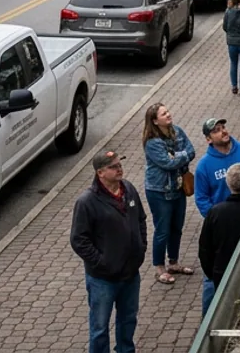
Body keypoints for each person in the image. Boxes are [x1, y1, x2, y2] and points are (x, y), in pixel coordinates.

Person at [70, 150, 146, 353]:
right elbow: (78, 240)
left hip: (130, 274)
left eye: (119, 163)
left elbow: (140, 219)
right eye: (113, 166)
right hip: (103, 280)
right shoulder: (87, 202)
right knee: (99, 327)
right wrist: (102, 262)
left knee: (128, 320)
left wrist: (141, 247)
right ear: (100, 173)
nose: (119, 168)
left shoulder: (128, 189)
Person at [141, 103, 197, 286]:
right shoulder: (152, 142)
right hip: (159, 191)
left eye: (168, 111)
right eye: (164, 114)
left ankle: (173, 262)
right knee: (162, 230)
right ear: (155, 121)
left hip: (178, 188)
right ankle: (159, 268)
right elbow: (167, 163)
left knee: (177, 228)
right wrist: (179, 157)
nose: (168, 115)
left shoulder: (178, 131)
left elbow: (192, 151)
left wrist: (175, 156)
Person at [197, 161, 240, 315]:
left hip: (223, 273)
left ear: (228, 184)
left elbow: (204, 248)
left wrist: (212, 273)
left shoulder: (216, 212)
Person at [193, 117, 240, 219]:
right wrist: (216, 218)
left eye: (223, 127)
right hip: (225, 221)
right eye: (216, 131)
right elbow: (201, 198)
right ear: (208, 139)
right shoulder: (204, 166)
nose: (223, 131)